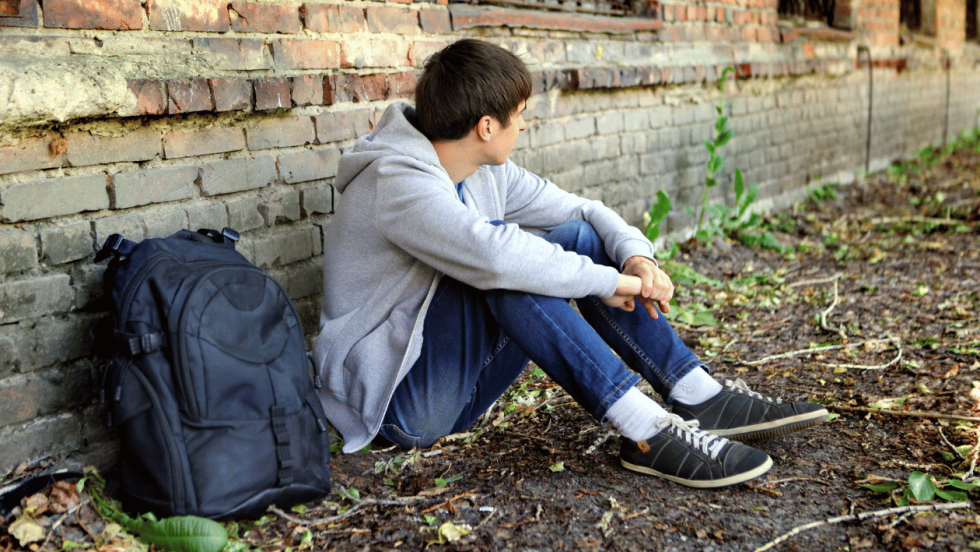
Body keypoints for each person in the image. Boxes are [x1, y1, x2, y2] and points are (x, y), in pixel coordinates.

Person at [313, 39, 827, 488]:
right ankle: (645, 430)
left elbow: (584, 211)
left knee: (575, 238)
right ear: (487, 126)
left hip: (460, 389)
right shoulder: (397, 182)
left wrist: (636, 255)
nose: (525, 123)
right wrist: (607, 282)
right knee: (507, 265)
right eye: (520, 114)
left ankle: (697, 394)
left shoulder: (486, 172)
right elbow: (495, 258)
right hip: (398, 405)